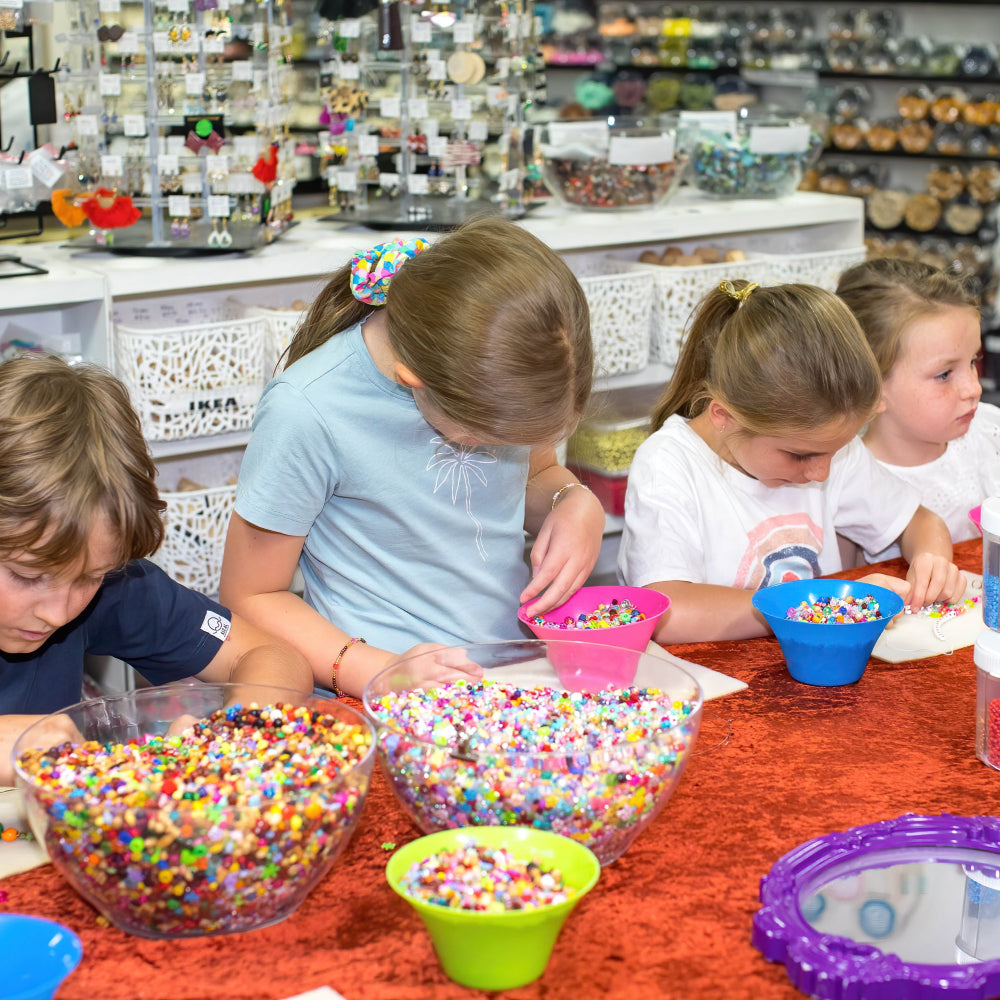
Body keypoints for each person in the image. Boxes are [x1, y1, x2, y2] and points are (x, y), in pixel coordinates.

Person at [220, 216, 605, 698]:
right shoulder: (308, 410)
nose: (496, 448)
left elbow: (536, 473)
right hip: (380, 694)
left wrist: (572, 501)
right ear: (412, 380)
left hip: (506, 676)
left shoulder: (496, 370)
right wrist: (380, 671)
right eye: (484, 437)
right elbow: (251, 597)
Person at [0, 354, 314, 786]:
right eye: (28, 575)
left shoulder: (115, 587)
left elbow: (270, 657)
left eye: (90, 577)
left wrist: (230, 737)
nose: (58, 612)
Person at [618, 279, 965, 645]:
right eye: (799, 455)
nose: (822, 472)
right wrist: (818, 605)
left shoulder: (825, 443)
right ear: (725, 417)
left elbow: (920, 521)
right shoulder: (668, 465)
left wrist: (932, 563)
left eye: (836, 450)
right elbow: (668, 614)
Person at [836, 257, 998, 561]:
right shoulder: (849, 481)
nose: (973, 388)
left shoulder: (990, 431)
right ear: (872, 388)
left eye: (973, 362)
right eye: (944, 375)